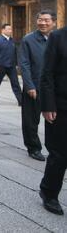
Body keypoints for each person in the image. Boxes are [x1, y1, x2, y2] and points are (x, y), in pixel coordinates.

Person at [39, 23, 67, 216]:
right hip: (61, 106)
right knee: (59, 154)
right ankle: (49, 193)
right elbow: (46, 73)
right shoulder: (58, 37)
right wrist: (48, 105)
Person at [20, 10, 56, 162]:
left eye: (46, 20)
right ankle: (33, 148)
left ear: (53, 22)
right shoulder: (28, 39)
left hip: (53, 87)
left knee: (53, 118)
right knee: (30, 120)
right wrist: (29, 86)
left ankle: (54, 148)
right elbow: (24, 64)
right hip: (34, 85)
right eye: (40, 19)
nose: (43, 23)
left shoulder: (57, 38)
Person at [0, 24, 22, 106]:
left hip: (11, 66)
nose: (10, 31)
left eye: (11, 29)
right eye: (8, 29)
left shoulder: (12, 40)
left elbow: (15, 53)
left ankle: (21, 100)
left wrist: (16, 64)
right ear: (3, 30)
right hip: (1, 66)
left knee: (16, 83)